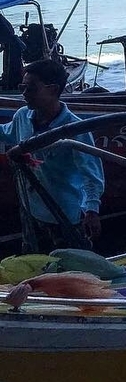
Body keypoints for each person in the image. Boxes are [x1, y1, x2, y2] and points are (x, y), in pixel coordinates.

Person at [0, 59, 104, 252]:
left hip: (64, 214)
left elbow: (92, 174)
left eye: (30, 89)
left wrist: (91, 210)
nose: (24, 94)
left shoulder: (75, 129)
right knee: (34, 264)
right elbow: (6, 131)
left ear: (53, 90)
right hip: (31, 209)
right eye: (22, 87)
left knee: (68, 266)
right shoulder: (23, 116)